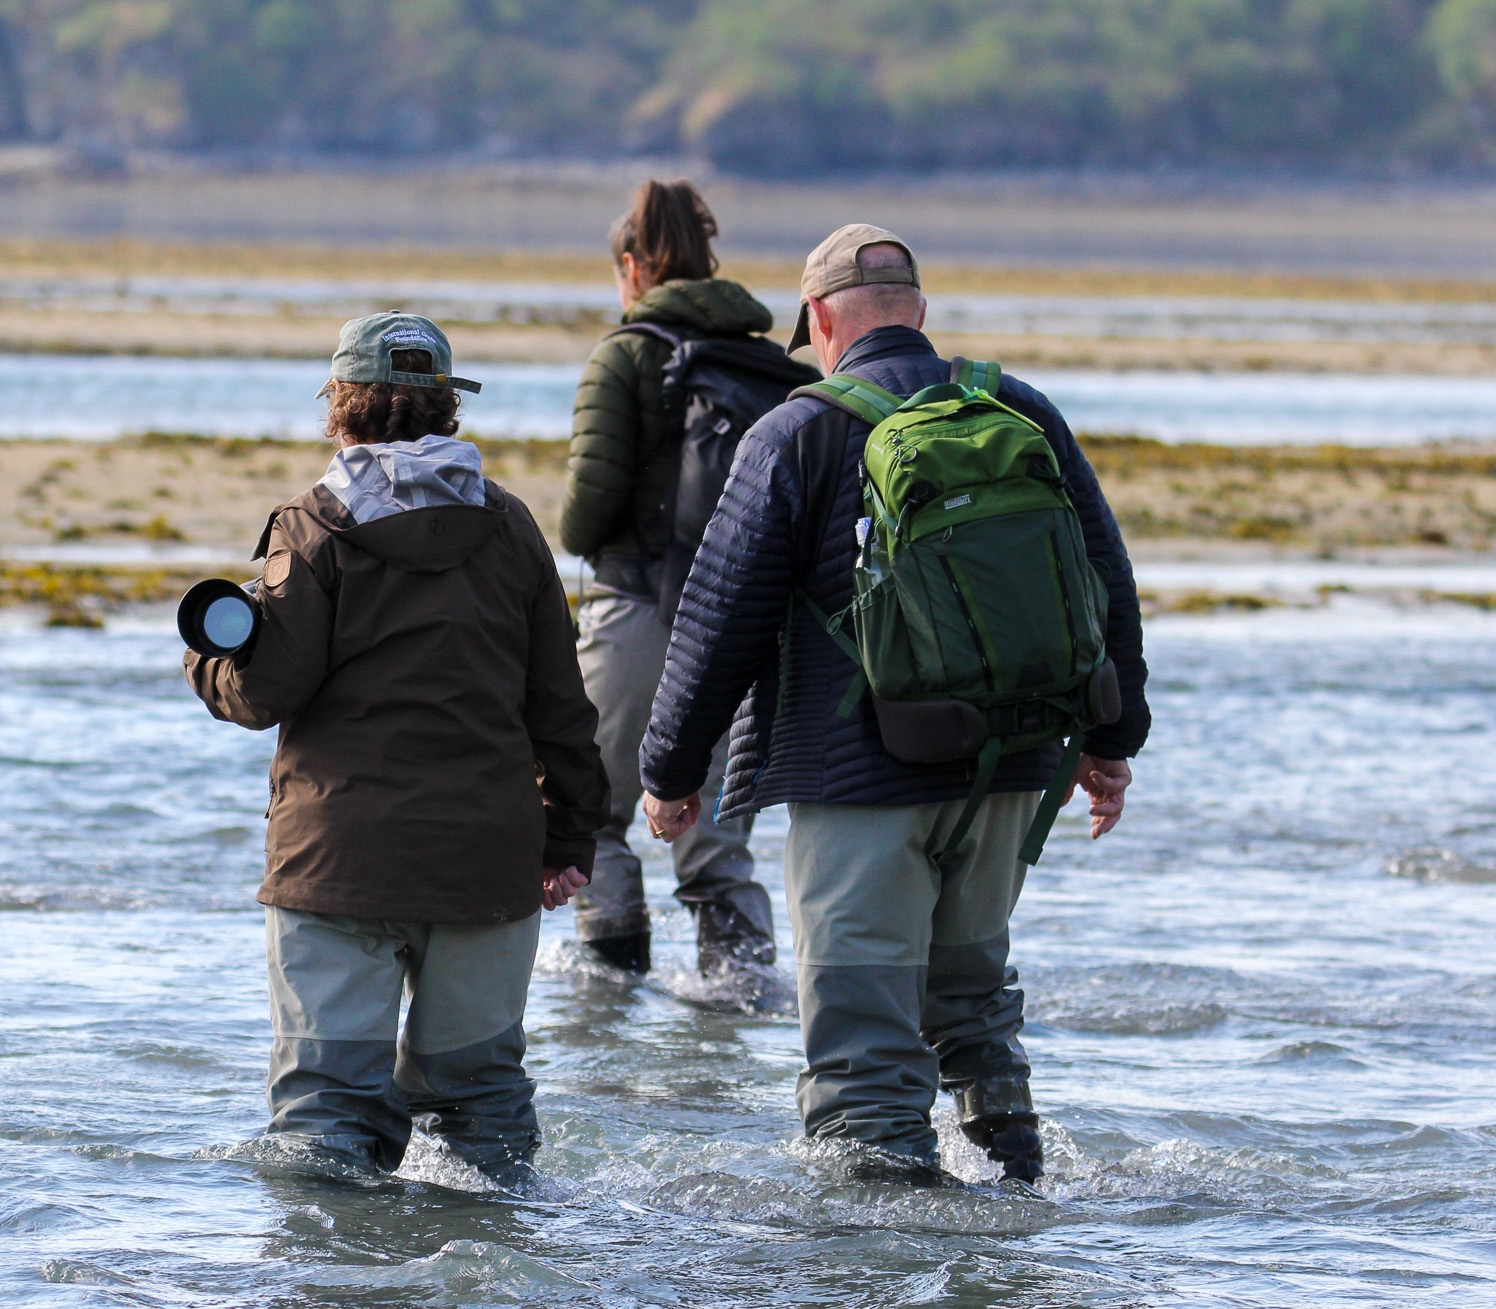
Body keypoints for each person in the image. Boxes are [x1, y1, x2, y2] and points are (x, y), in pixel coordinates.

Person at [639, 225, 1149, 1186]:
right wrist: (1112, 740)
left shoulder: (796, 430)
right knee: (973, 1000)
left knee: (862, 1044)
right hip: (1011, 768)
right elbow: (1103, 580)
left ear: (821, 320)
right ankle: (1016, 1196)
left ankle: (877, 1282)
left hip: (859, 778)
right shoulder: (1020, 410)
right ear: (917, 311)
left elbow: (720, 615)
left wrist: (669, 772)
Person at [186, 312, 607, 1185]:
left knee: (324, 1123)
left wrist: (205, 660)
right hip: (486, 862)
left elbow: (264, 692)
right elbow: (561, 709)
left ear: (340, 409)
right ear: (448, 408)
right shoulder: (512, 527)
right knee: (483, 1113)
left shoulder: (311, 528)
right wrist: (567, 841)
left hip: (336, 863)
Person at [560, 179, 778, 978]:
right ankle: (742, 994)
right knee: (715, 845)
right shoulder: (760, 358)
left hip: (637, 613)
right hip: (744, 629)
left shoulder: (624, 354)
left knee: (590, 811)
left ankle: (609, 990)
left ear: (630, 267)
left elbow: (584, 517)